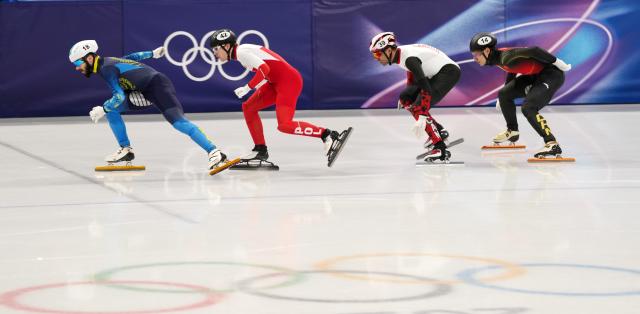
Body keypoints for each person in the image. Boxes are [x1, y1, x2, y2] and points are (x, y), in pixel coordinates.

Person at [68, 40, 231, 171]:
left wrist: (103, 109)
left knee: (179, 122)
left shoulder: (106, 69)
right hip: (142, 92)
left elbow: (118, 95)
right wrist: (152, 53)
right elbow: (132, 57)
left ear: (89, 58)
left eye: (77, 62)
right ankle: (125, 150)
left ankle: (215, 152)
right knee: (112, 110)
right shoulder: (107, 63)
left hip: (157, 86)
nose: (76, 68)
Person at [208, 29, 352, 168]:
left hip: (288, 82)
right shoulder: (242, 52)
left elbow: (265, 69)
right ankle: (260, 149)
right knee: (248, 107)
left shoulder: (241, 52)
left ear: (226, 46)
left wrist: (247, 87)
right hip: (275, 82)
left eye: (215, 49)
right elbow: (269, 69)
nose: (215, 54)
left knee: (285, 125)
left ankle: (328, 135)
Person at [469, 32, 572, 158]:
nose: (475, 59)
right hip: (535, 75)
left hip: (552, 74)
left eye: (476, 55)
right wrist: (505, 91)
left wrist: (557, 62)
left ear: (486, 50)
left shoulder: (505, 57)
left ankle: (551, 143)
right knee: (504, 94)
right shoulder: (497, 58)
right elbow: (512, 69)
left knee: (528, 107)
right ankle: (512, 131)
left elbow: (534, 50)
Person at [369, 32, 461, 162]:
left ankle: (440, 148)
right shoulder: (401, 55)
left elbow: (425, 87)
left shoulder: (409, 59)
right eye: (374, 55)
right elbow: (412, 79)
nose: (376, 58)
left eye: (378, 54)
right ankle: (439, 131)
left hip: (448, 73)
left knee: (419, 107)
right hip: (435, 74)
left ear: (389, 50)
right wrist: (407, 97)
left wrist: (422, 112)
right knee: (406, 98)